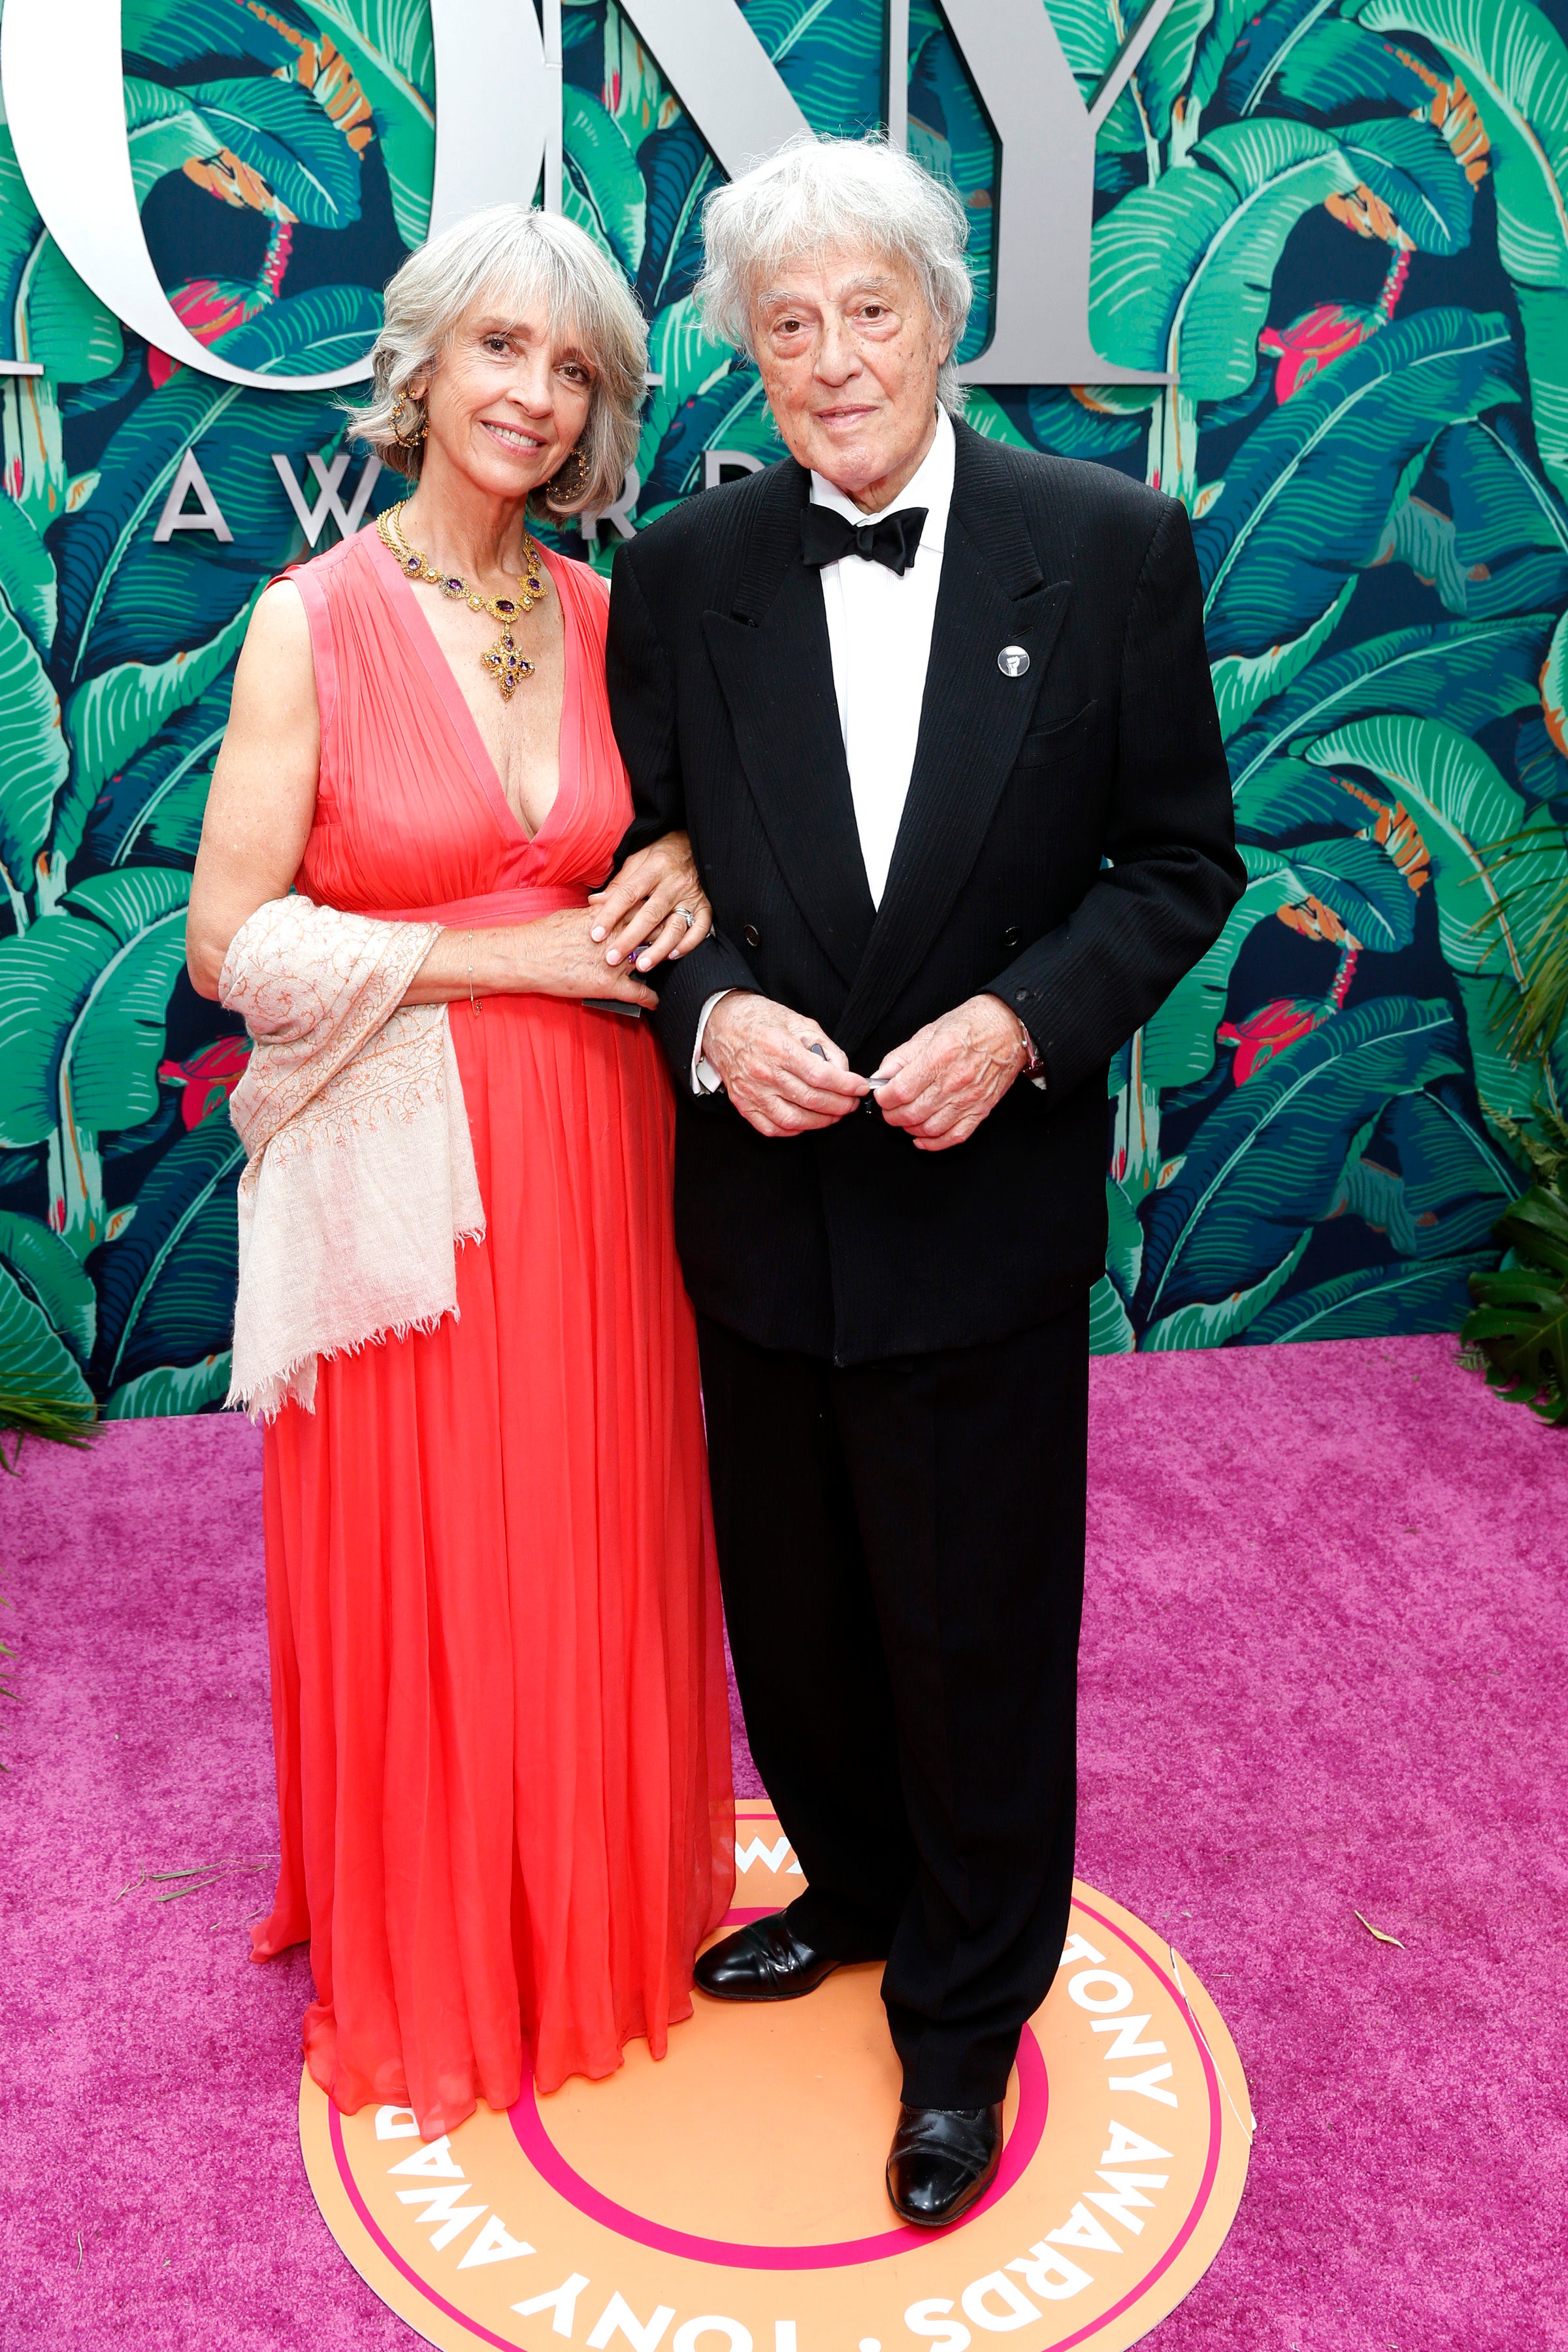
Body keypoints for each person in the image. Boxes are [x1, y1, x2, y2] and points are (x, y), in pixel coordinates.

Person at [606, 137, 1245, 2227]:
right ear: (750, 362)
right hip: (766, 1206)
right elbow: (653, 870)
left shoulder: (1113, 543)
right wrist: (707, 1016)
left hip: (983, 1201)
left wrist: (1033, 1023)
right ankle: (860, 1898)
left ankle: (961, 2021)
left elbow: (1179, 868)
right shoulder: (688, 574)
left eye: (869, 311)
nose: (832, 358)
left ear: (947, 319)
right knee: (796, 1620)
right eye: (786, 329)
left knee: (975, 1629)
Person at [186, 204, 734, 2140]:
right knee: (431, 1562)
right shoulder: (308, 620)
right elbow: (226, 943)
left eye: (573, 367)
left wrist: (676, 871)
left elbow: (662, 848)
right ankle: (439, 1939)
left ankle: (588, 1912)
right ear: (423, 364)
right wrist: (504, 954)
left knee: (590, 1547)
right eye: (504, 348)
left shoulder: (610, 614)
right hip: (405, 1191)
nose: (535, 393)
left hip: (600, 1171)